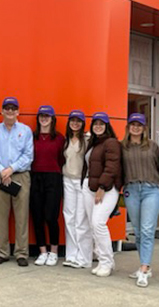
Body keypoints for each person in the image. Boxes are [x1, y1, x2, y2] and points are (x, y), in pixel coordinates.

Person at [0, 97, 33, 267]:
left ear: (18, 111)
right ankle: (2, 252)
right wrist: (1, 170)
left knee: (21, 217)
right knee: (0, 216)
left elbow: (28, 156)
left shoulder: (26, 131)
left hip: (20, 176)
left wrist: (11, 169)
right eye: (7, 108)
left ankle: (21, 253)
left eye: (13, 108)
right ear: (2, 111)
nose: (10, 111)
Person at [121, 113, 159, 288]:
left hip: (151, 190)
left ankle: (144, 269)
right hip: (131, 190)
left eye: (139, 125)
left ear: (144, 128)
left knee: (146, 229)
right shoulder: (123, 147)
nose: (136, 127)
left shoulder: (152, 146)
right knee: (137, 231)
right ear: (128, 127)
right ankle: (144, 264)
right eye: (133, 124)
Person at [81, 112, 121, 277]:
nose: (98, 126)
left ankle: (106, 261)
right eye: (95, 123)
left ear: (107, 126)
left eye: (101, 124)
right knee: (92, 225)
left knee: (98, 223)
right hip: (89, 186)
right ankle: (104, 259)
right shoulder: (93, 142)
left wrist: (102, 187)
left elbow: (112, 166)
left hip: (106, 189)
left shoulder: (111, 142)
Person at [30, 105, 64, 267]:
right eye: (41, 116)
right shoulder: (32, 137)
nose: (44, 118)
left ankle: (54, 251)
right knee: (37, 217)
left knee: (51, 217)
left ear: (52, 119)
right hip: (35, 177)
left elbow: (62, 159)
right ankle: (42, 252)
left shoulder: (59, 138)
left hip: (53, 178)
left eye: (47, 116)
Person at [62, 110, 92, 269]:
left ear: (83, 123)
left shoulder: (87, 139)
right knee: (69, 217)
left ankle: (84, 257)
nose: (75, 123)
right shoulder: (66, 140)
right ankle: (71, 255)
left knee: (81, 219)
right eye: (72, 120)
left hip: (81, 182)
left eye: (78, 121)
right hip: (67, 180)